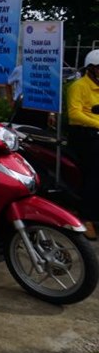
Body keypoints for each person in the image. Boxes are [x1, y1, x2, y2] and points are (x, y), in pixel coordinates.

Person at [67, 49, 99, 240]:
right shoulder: (78, 86)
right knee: (95, 173)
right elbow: (74, 114)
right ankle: (86, 217)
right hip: (84, 135)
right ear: (92, 69)